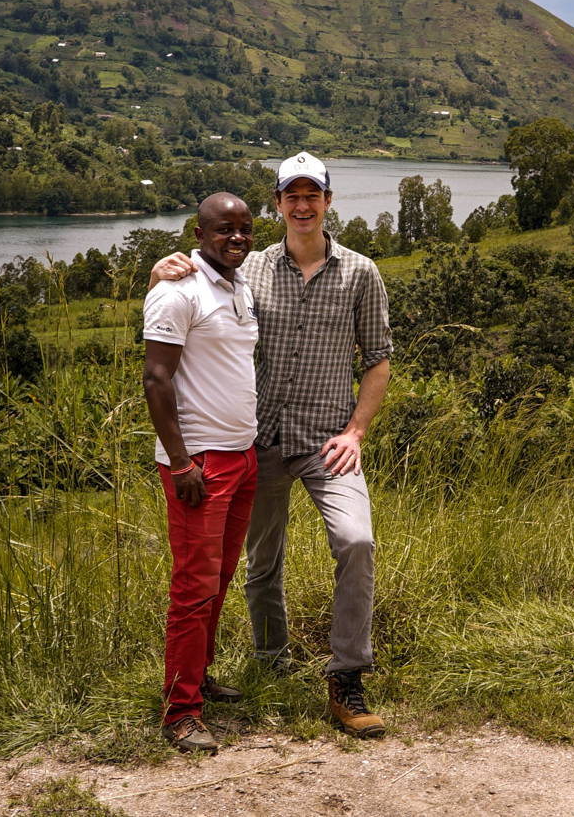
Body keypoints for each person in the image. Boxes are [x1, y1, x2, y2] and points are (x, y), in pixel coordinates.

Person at [150, 152, 392, 738]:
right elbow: (194, 295)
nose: (302, 206)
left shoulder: (361, 273)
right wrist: (160, 271)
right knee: (260, 563)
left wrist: (356, 432)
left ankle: (347, 676)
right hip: (255, 441)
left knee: (356, 541)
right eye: (292, 196)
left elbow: (379, 359)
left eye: (313, 195)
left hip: (327, 442)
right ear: (278, 203)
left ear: (328, 201)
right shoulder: (249, 267)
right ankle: (269, 660)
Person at [143, 192, 258, 754]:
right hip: (200, 463)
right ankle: (180, 712)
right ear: (199, 232)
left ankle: (198, 677)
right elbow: (156, 378)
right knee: (193, 587)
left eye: (245, 228)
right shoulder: (176, 290)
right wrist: (181, 461)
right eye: (223, 229)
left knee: (218, 580)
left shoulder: (238, 285)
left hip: (242, 455)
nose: (236, 237)